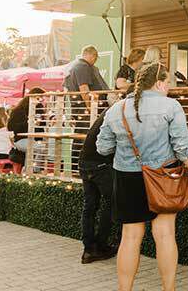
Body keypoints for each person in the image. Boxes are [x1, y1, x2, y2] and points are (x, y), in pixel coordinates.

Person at [97, 62, 188, 291]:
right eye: (168, 83)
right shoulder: (171, 106)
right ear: (159, 83)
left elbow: (103, 147)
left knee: (130, 237)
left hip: (126, 177)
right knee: (165, 235)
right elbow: (183, 148)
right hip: (162, 177)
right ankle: (169, 289)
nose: (169, 87)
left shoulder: (116, 109)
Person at [78, 108, 117, 264]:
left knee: (90, 206)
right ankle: (100, 246)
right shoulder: (121, 112)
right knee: (112, 203)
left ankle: (88, 249)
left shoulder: (110, 110)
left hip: (84, 162)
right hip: (100, 164)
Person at [65, 45, 109, 170]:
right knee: (84, 138)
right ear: (91, 54)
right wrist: (91, 109)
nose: (95, 60)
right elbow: (84, 89)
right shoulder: (83, 67)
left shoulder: (75, 67)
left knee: (80, 137)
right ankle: (79, 167)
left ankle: (76, 167)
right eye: (95, 57)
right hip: (86, 110)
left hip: (80, 108)